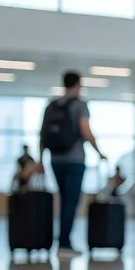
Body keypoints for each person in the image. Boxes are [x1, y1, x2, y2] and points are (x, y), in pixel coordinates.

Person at [39, 71, 104, 258]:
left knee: (63, 198)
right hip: (74, 160)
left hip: (55, 159)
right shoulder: (79, 105)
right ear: (79, 84)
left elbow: (42, 134)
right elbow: (85, 130)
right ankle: (64, 243)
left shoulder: (52, 105)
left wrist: (40, 158)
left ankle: (62, 240)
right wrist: (99, 152)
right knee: (71, 202)